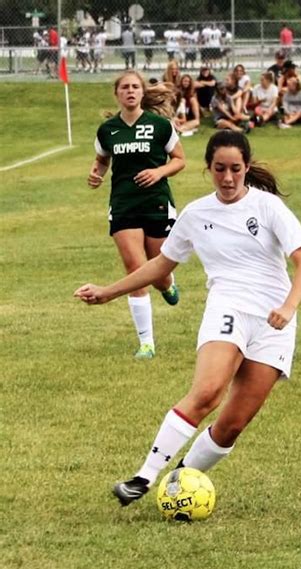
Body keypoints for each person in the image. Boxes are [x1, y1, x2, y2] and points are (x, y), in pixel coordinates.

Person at [74, 130, 301, 507]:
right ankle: (143, 477)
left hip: (273, 322)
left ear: (247, 168)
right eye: (220, 169)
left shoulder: (268, 207)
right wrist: (108, 291)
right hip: (227, 309)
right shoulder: (196, 214)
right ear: (208, 169)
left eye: (236, 169)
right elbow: (161, 264)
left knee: (232, 425)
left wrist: (288, 307)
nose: (229, 178)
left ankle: (180, 481)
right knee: (207, 393)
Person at [86, 71, 185, 359]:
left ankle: (167, 285)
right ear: (117, 94)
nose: (130, 91)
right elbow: (102, 160)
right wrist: (97, 175)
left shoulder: (160, 125)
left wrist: (158, 171)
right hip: (123, 205)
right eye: (125, 87)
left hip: (156, 203)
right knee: (135, 270)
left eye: (135, 87)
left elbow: (179, 160)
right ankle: (146, 343)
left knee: (158, 272)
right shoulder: (108, 130)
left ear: (142, 92)